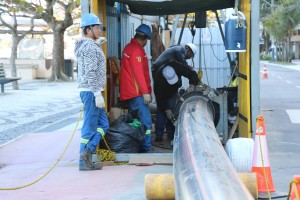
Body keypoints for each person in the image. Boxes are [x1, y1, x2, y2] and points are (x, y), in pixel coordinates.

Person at [74, 13, 109, 170]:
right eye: (96, 27)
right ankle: (84, 162)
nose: (99, 30)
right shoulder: (89, 47)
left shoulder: (88, 45)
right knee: (89, 128)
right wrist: (96, 93)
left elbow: (90, 63)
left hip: (91, 91)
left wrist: (97, 46)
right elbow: (90, 72)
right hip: (91, 92)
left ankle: (88, 151)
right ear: (88, 29)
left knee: (104, 124)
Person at [119, 24, 153, 152]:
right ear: (144, 38)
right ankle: (146, 148)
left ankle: (139, 147)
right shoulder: (137, 51)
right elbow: (139, 73)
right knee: (146, 122)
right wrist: (145, 92)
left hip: (131, 93)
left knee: (136, 122)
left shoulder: (129, 48)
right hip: (138, 93)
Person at [153, 60, 199, 142]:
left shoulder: (177, 66)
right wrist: (166, 110)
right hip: (162, 94)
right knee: (162, 112)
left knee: (173, 111)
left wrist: (192, 84)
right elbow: (160, 98)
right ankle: (159, 134)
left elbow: (192, 73)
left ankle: (171, 133)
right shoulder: (158, 80)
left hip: (172, 91)